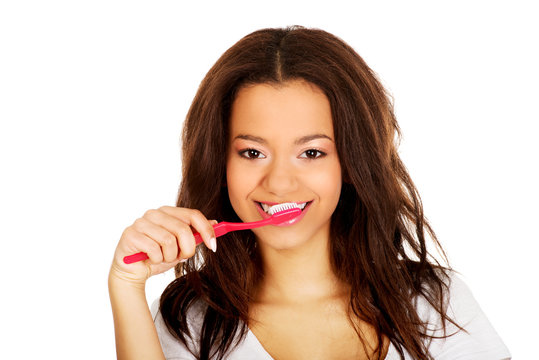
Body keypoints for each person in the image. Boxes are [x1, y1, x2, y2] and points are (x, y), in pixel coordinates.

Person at [108, 26, 511, 360]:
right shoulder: (192, 319)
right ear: (221, 164)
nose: (280, 182)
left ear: (351, 163)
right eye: (252, 152)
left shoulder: (437, 304)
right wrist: (126, 285)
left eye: (311, 152)